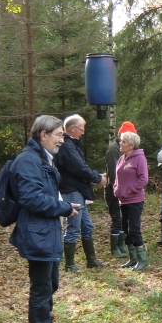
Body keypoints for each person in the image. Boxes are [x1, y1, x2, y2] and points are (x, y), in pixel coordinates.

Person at [9, 115, 79, 323]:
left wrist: (64, 207)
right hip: (37, 232)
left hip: (46, 230)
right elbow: (30, 198)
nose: (62, 140)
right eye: (59, 135)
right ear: (43, 135)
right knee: (41, 285)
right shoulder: (28, 160)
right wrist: (63, 208)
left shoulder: (42, 158)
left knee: (51, 282)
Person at [55, 114, 107, 273]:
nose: (83, 132)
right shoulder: (67, 146)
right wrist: (97, 177)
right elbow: (79, 168)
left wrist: (95, 177)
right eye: (82, 129)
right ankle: (69, 265)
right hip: (72, 191)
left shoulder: (71, 145)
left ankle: (91, 260)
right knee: (73, 228)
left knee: (87, 226)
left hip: (78, 190)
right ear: (72, 129)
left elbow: (80, 168)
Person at [114, 132, 149, 270]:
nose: (120, 143)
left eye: (123, 141)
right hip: (123, 200)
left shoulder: (139, 158)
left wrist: (129, 190)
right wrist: (116, 189)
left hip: (135, 199)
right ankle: (132, 258)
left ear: (131, 145)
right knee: (125, 229)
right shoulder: (122, 158)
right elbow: (117, 177)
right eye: (120, 141)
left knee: (134, 229)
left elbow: (144, 179)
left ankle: (142, 259)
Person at [105, 122, 137, 258]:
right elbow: (114, 172)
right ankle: (115, 248)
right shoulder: (114, 149)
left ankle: (121, 244)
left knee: (124, 218)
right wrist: (120, 189)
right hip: (115, 189)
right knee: (116, 218)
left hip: (124, 189)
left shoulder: (127, 149)